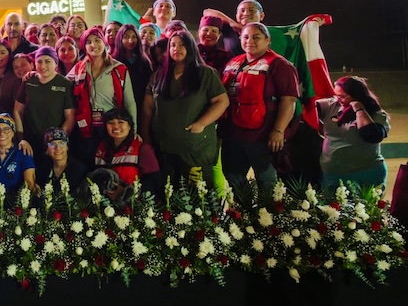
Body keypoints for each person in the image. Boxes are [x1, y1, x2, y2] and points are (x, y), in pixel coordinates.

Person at [141, 30, 229, 187]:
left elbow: (222, 101)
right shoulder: (158, 76)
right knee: (168, 193)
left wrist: (201, 123)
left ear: (191, 47)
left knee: (197, 196)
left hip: (195, 148)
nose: (177, 48)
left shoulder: (205, 73)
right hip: (164, 148)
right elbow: (147, 109)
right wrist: (146, 138)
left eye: (182, 45)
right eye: (173, 45)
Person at [220, 23, 300, 193]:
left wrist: (278, 130)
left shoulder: (279, 65)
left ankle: (268, 209)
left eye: (256, 37)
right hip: (233, 135)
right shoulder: (233, 62)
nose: (250, 41)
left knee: (266, 180)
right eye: (246, 37)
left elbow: (289, 100)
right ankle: (244, 208)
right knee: (233, 177)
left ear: (267, 40)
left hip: (262, 136)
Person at [69, 27, 137, 164]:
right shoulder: (78, 68)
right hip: (87, 126)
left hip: (112, 125)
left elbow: (129, 101)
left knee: (110, 164)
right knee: (89, 164)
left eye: (97, 40)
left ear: (104, 41)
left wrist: (133, 130)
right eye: (88, 42)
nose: (93, 45)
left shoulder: (119, 69)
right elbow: (62, 84)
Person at [317, 76, 391, 193]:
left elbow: (371, 135)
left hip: (367, 173)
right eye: (336, 95)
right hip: (334, 173)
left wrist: (359, 110)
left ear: (356, 95)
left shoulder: (376, 113)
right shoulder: (332, 105)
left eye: (342, 96)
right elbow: (307, 106)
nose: (338, 99)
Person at [85, 108, 161, 205]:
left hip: (133, 205)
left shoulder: (142, 149)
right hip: (105, 205)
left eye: (121, 122)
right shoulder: (100, 149)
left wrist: (126, 191)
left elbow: (153, 182)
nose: (116, 126)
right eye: (110, 122)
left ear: (129, 126)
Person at [14, 46, 74, 166]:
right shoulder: (29, 81)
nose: (43, 66)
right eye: (39, 62)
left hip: (53, 144)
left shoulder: (65, 84)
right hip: (30, 140)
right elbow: (17, 110)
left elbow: (70, 117)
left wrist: (58, 142)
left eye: (48, 61)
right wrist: (21, 137)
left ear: (56, 63)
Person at [110, 23, 152, 122]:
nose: (130, 41)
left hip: (140, 103)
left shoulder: (144, 61)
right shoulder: (113, 61)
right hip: (118, 105)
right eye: (126, 37)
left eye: (134, 37)